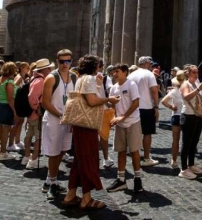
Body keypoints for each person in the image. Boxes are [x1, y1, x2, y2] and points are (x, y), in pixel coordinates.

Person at [61, 55, 114, 210]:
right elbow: (91, 101)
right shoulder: (89, 79)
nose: (100, 67)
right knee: (89, 159)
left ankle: (70, 195)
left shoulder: (80, 78)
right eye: (99, 65)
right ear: (94, 66)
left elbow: (86, 97)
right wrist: (109, 99)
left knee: (79, 160)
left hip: (79, 124)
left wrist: (98, 85)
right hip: (87, 124)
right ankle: (87, 199)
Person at [41, 50, 76, 200]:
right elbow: (45, 102)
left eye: (68, 61)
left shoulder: (74, 76)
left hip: (68, 120)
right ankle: (53, 183)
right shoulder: (51, 78)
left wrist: (73, 118)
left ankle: (49, 180)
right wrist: (60, 115)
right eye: (62, 61)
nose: (65, 64)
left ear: (71, 61)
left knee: (63, 150)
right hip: (54, 119)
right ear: (57, 61)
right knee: (54, 152)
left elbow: (75, 99)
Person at [106, 64, 144, 192]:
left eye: (117, 71)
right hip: (120, 124)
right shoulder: (113, 88)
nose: (114, 74)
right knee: (120, 151)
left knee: (134, 151)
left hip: (132, 122)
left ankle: (137, 179)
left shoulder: (131, 85)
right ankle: (121, 179)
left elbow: (136, 103)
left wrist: (123, 117)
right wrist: (112, 117)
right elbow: (112, 105)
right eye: (113, 72)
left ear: (125, 72)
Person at [177, 64, 202, 180]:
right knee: (186, 143)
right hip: (188, 116)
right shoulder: (186, 84)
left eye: (197, 72)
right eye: (194, 72)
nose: (197, 74)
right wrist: (199, 89)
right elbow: (186, 97)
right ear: (188, 73)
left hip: (197, 115)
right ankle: (183, 169)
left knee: (194, 142)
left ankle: (191, 164)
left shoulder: (196, 83)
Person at [128, 56, 160, 167]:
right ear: (146, 63)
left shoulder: (131, 75)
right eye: (150, 64)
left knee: (135, 133)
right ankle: (146, 158)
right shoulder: (149, 74)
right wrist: (156, 106)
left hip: (134, 107)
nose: (151, 66)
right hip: (146, 107)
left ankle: (135, 158)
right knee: (147, 133)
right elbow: (154, 90)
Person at [23, 58, 55, 168]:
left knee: (29, 135)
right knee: (38, 137)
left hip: (32, 113)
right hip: (37, 113)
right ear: (45, 69)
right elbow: (31, 97)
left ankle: (27, 156)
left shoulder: (33, 78)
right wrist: (36, 108)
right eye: (49, 68)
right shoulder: (41, 81)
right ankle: (32, 160)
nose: (51, 69)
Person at [0, 62, 18, 161]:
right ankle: (3, 153)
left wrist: (0, 93)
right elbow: (10, 98)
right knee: (5, 130)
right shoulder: (9, 82)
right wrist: (15, 111)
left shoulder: (0, 79)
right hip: (6, 106)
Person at [161, 71, 186, 169]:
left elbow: (163, 101)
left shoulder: (174, 91)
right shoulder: (187, 89)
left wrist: (171, 107)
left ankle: (173, 160)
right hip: (185, 116)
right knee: (185, 141)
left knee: (175, 140)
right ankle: (186, 162)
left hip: (176, 116)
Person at [7, 62, 30, 153]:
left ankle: (17, 140)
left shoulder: (24, 77)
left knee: (20, 122)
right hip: (18, 102)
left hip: (21, 102)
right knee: (16, 123)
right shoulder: (19, 77)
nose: (28, 69)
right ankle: (11, 143)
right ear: (22, 68)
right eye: (26, 67)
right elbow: (14, 86)